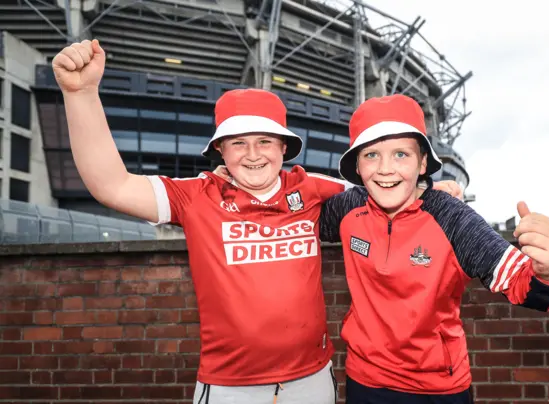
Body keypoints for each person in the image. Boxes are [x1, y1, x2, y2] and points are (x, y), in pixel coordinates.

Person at [51, 40, 462, 404]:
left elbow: (387, 185)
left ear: (283, 146)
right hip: (230, 387)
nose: (253, 154)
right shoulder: (197, 197)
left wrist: (433, 194)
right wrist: (81, 93)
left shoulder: (315, 189)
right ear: (221, 151)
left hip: (312, 382)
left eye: (265, 141)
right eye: (239, 143)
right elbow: (112, 186)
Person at [318, 94, 549, 404]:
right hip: (365, 381)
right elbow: (293, 214)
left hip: (439, 389)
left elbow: (527, 287)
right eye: (371, 155)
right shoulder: (346, 209)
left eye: (401, 154)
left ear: (423, 162)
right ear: (357, 165)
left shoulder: (452, 218)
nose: (385, 169)